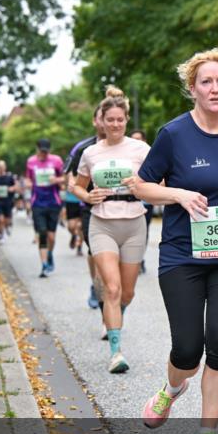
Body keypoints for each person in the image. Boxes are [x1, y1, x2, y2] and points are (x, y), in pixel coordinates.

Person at [131, 47, 218, 434]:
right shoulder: (173, 134)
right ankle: (173, 387)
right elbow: (140, 185)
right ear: (192, 88)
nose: (215, 88)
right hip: (182, 256)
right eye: (206, 81)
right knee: (188, 350)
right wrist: (177, 194)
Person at [71, 87, 151, 374]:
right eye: (110, 119)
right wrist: (87, 196)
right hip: (102, 222)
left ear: (126, 120)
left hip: (134, 222)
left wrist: (140, 187)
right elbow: (76, 184)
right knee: (112, 288)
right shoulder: (90, 152)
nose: (115, 124)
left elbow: (161, 182)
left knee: (127, 293)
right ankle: (116, 352)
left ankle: (115, 316)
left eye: (120, 119)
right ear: (101, 121)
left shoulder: (141, 150)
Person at [65, 105, 106, 309]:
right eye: (102, 118)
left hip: (123, 211)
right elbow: (70, 174)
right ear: (95, 121)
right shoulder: (83, 148)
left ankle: (107, 295)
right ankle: (100, 297)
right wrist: (78, 190)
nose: (106, 122)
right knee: (97, 255)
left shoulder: (127, 147)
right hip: (91, 209)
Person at [26, 138, 65, 278]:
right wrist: (29, 183)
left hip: (53, 202)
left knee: (51, 237)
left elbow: (65, 177)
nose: (44, 154)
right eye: (41, 151)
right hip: (37, 203)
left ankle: (49, 254)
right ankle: (44, 265)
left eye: (46, 151)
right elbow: (28, 178)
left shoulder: (56, 160)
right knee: (42, 233)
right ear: (37, 148)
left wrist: (57, 180)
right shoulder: (31, 161)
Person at [130, 128, 155, 275]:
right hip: (130, 202)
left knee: (143, 232)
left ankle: (139, 259)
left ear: (144, 141)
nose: (136, 142)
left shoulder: (151, 155)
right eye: (133, 139)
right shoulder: (126, 157)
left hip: (146, 202)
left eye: (139, 139)